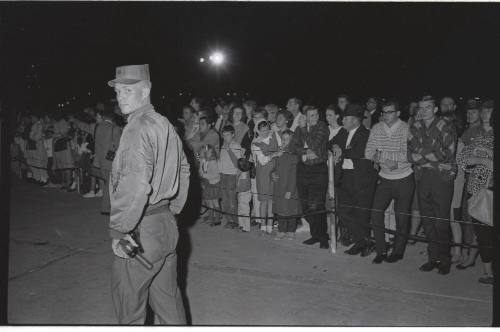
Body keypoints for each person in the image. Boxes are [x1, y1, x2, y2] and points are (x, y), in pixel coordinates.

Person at [107, 64, 189, 324]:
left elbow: (135, 185)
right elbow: (185, 170)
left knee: (129, 308)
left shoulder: (137, 128)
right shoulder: (165, 124)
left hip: (140, 231)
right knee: (168, 304)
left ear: (146, 90)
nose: (121, 97)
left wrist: (119, 231)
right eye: (118, 91)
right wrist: (171, 210)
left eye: (128, 90)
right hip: (165, 226)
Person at [408, 95, 457, 275]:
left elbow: (446, 153)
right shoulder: (415, 126)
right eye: (421, 108)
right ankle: (433, 258)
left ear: (435, 109)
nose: (423, 111)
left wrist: (422, 155)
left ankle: (445, 260)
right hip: (423, 177)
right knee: (427, 220)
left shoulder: (446, 125)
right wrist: (429, 158)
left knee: (441, 222)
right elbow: (409, 153)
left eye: (428, 107)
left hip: (442, 179)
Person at [365, 100, 414, 264]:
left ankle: (398, 251)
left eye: (390, 112)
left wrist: (382, 156)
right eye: (384, 112)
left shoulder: (406, 128)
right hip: (384, 178)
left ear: (398, 113)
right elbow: (368, 152)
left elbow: (408, 154)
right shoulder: (376, 128)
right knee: (375, 212)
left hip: (404, 178)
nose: (386, 115)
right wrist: (385, 157)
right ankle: (381, 250)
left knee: (402, 217)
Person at [331, 104, 377, 256]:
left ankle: (361, 243)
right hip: (345, 177)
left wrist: (341, 151)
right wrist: (336, 145)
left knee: (361, 214)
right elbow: (329, 143)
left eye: (346, 118)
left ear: (356, 120)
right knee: (343, 211)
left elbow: (358, 152)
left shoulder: (366, 134)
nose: (342, 120)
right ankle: (364, 241)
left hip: (361, 179)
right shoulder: (343, 132)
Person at [457, 100, 494, 284]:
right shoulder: (476, 134)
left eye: (490, 111)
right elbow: (463, 160)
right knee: (481, 232)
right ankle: (488, 272)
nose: (487, 114)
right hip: (476, 189)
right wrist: (482, 160)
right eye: (485, 110)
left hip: (492, 189)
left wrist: (487, 158)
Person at [290, 107, 330, 249]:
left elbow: (314, 143)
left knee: (317, 205)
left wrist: (303, 129)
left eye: (315, 114)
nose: (313, 117)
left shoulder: (322, 127)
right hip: (303, 169)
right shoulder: (300, 129)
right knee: (305, 206)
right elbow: (292, 147)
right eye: (310, 115)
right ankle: (315, 234)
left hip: (318, 169)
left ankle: (323, 236)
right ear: (305, 116)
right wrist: (306, 152)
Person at [252, 120, 281, 235]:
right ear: (258, 131)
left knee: (271, 201)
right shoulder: (255, 143)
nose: (265, 132)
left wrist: (274, 128)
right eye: (262, 130)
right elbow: (263, 161)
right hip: (263, 174)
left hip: (274, 172)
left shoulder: (273, 137)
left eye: (266, 129)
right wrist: (274, 154)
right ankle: (263, 225)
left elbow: (281, 146)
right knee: (264, 201)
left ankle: (270, 225)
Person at [92, 106, 122, 215]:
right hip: (111, 161)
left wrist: (97, 161)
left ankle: (108, 207)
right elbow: (119, 147)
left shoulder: (99, 127)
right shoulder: (115, 128)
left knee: (107, 184)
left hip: (101, 160)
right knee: (110, 185)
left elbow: (96, 145)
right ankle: (106, 208)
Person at [272, 130, 299, 240]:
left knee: (290, 209)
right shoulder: (279, 153)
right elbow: (274, 167)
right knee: (280, 209)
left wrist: (290, 190)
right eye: (283, 139)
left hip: (289, 187)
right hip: (279, 186)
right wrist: (272, 174)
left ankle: (291, 231)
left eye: (287, 140)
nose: (284, 141)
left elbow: (294, 174)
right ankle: (282, 230)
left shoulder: (293, 154)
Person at [218, 125, 242, 229]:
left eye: (228, 135)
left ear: (233, 135)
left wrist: (229, 150)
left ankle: (235, 221)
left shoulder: (236, 145)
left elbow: (238, 163)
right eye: (224, 135)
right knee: (225, 199)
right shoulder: (223, 145)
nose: (225, 137)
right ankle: (228, 220)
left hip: (231, 175)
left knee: (232, 199)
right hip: (223, 175)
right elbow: (221, 161)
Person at [198, 144, 222, 226]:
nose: (207, 153)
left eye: (210, 152)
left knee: (215, 202)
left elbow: (215, 175)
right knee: (210, 203)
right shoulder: (205, 161)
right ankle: (211, 218)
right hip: (208, 183)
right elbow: (201, 171)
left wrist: (203, 175)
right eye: (206, 152)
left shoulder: (213, 162)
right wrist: (201, 163)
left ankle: (218, 219)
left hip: (214, 183)